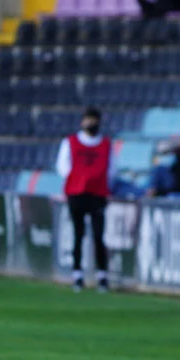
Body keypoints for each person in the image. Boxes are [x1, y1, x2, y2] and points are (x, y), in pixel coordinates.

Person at [55, 107, 112, 293]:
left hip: (97, 194)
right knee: (78, 235)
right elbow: (62, 167)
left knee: (98, 236)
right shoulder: (70, 142)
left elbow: (112, 169)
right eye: (88, 119)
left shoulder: (106, 145)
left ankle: (102, 275)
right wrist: (78, 178)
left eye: (94, 120)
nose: (91, 123)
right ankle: (77, 274)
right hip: (76, 194)